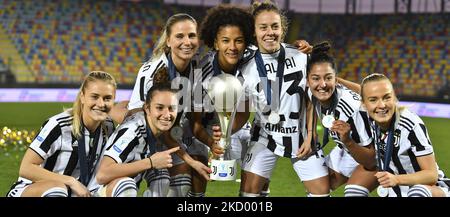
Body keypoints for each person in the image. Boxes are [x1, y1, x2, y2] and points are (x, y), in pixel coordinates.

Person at [233, 1, 329, 197]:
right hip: (265, 136)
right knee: (248, 194)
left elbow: (312, 97)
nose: (270, 32)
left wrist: (311, 133)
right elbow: (242, 111)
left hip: (301, 137)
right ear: (254, 31)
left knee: (321, 193)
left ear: (283, 29)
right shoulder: (245, 67)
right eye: (263, 27)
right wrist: (221, 136)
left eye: (275, 26)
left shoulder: (302, 56)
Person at [123, 13, 213, 197]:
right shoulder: (153, 72)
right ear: (168, 41)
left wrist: (214, 144)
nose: (187, 42)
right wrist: (187, 158)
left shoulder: (196, 66)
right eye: (180, 36)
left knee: (192, 174)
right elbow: (141, 119)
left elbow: (195, 120)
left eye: (191, 35)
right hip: (145, 138)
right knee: (175, 184)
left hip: (173, 133)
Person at [7, 71, 117, 197]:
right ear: (82, 96)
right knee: (58, 189)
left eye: (107, 98)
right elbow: (26, 168)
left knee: (121, 184)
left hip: (77, 192)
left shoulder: (108, 126)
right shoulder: (59, 125)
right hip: (34, 189)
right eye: (95, 97)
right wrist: (70, 181)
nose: (101, 104)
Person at [355, 73, 449, 197]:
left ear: (394, 98)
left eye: (387, 97)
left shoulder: (410, 125)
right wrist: (338, 80)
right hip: (395, 189)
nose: (381, 105)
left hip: (430, 189)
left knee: (417, 193)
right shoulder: (366, 118)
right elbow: (359, 91)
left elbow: (431, 175)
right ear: (364, 103)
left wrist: (397, 179)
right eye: (373, 99)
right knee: (354, 191)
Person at [94, 77, 183, 197]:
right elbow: (102, 174)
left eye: (172, 108)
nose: (167, 115)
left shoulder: (153, 127)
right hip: (96, 191)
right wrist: (150, 162)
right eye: (160, 108)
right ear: (147, 108)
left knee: (161, 177)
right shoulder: (133, 131)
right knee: (126, 186)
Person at [306, 41, 374, 192]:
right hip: (345, 148)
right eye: (316, 78)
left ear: (335, 80)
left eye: (328, 78)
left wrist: (348, 141)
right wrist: (310, 133)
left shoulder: (351, 110)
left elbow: (371, 161)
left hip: (372, 152)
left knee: (353, 193)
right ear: (307, 81)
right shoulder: (313, 92)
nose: (322, 84)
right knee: (318, 186)